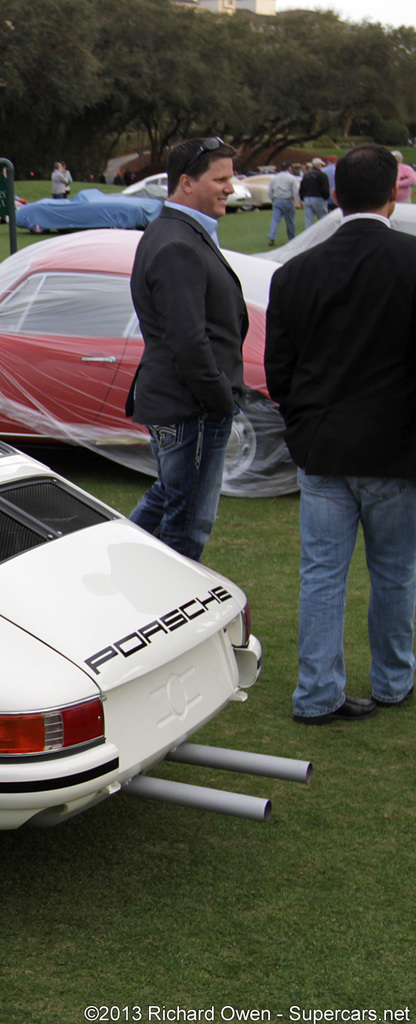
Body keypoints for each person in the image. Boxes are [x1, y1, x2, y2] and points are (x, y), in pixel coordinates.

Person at [264, 143, 416, 725]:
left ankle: (319, 692)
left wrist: (304, 427)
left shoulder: (297, 271)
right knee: (394, 573)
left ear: (333, 196)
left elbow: (281, 370)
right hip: (390, 450)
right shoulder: (408, 261)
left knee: (322, 576)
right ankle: (393, 681)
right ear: (391, 195)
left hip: (324, 445)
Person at [126, 136, 248, 562]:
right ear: (187, 183)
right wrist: (220, 402)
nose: (231, 189)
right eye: (221, 179)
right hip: (191, 407)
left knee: (170, 499)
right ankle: (163, 604)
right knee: (187, 525)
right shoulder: (176, 241)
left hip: (185, 404)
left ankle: (118, 561)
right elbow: (188, 340)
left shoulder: (179, 233)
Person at [267, 164, 299, 246]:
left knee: (275, 220)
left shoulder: (275, 177)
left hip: (277, 200)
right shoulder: (292, 178)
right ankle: (292, 238)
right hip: (287, 199)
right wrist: (299, 201)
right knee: (290, 221)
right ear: (289, 168)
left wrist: (272, 199)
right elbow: (296, 191)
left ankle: (271, 237)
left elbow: (270, 191)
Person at [299, 158, 331, 228]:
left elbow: (302, 187)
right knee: (323, 219)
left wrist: (302, 198)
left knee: (308, 221)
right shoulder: (322, 175)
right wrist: (326, 197)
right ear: (318, 165)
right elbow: (325, 188)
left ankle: (308, 237)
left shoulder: (306, 175)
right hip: (318, 198)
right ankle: (324, 236)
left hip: (307, 198)